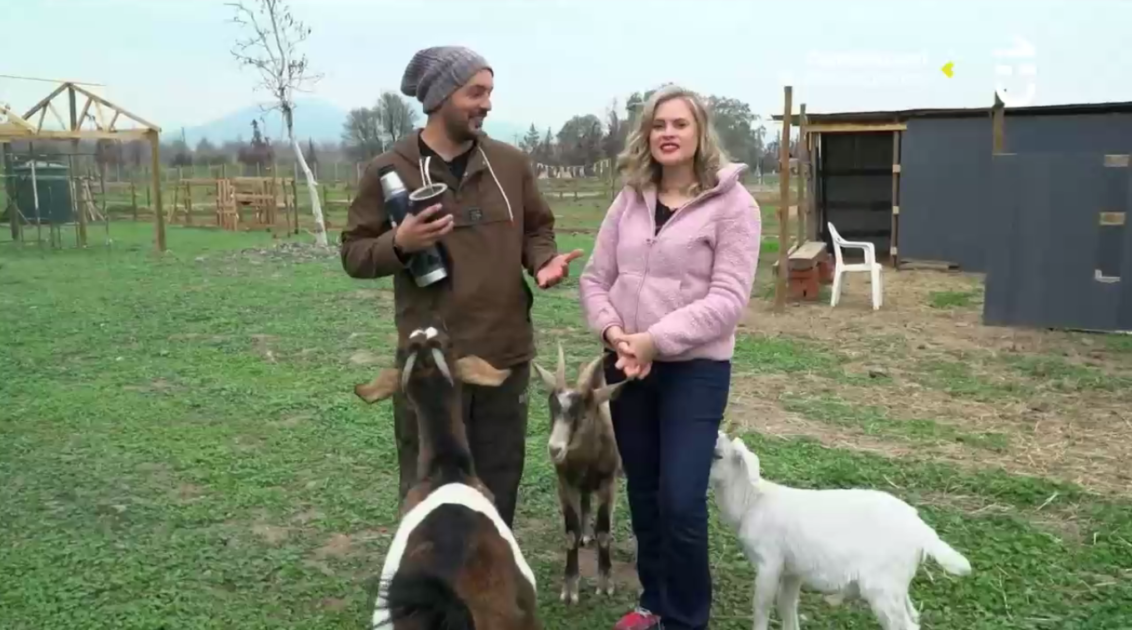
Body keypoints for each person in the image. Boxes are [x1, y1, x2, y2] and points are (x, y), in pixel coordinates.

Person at [340, 45, 584, 528]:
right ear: (438, 97)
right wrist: (401, 242)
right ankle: (433, 588)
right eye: (475, 92)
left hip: (502, 355)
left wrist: (541, 261)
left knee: (498, 483)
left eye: (490, 92)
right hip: (429, 366)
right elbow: (353, 254)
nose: (487, 104)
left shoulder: (510, 164)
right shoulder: (389, 170)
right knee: (427, 484)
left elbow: (537, 227)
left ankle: (487, 588)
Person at [578, 85, 761, 630]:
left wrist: (654, 340)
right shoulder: (629, 198)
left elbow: (727, 300)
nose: (668, 133)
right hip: (627, 365)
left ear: (701, 132)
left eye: (680, 123)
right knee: (647, 492)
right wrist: (615, 335)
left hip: (695, 372)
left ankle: (686, 619)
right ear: (647, 134)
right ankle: (654, 601)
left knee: (682, 501)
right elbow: (594, 279)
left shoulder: (735, 207)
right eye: (659, 124)